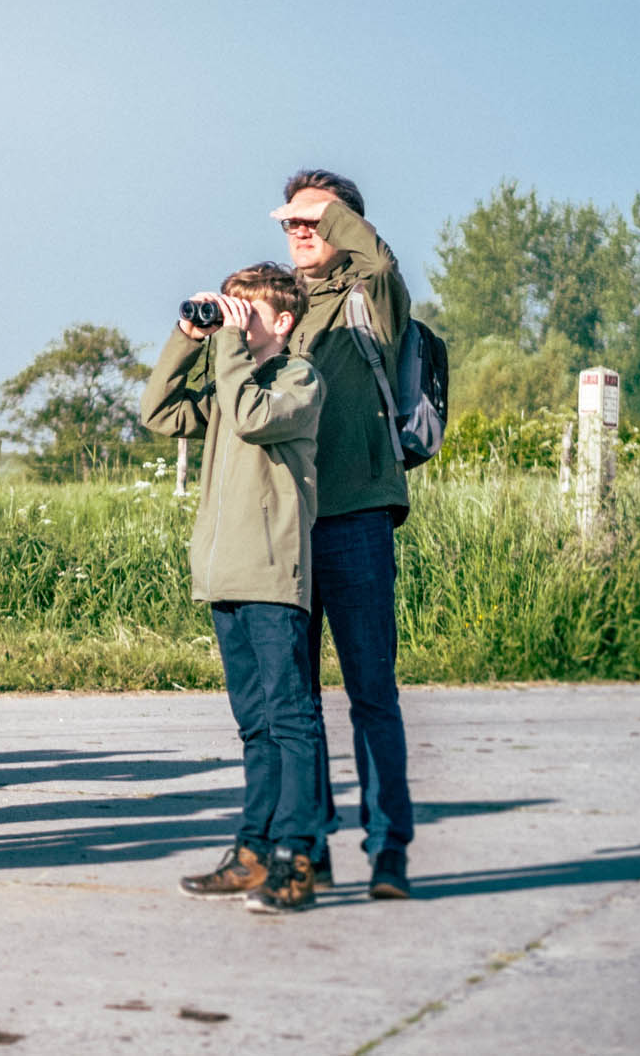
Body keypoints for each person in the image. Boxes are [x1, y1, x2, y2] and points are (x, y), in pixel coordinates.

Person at [142, 263, 329, 914]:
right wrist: (188, 334)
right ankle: (253, 849)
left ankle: (296, 856)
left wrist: (228, 344)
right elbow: (158, 410)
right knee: (255, 725)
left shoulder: (299, 380)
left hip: (274, 576)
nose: (234, 319)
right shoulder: (230, 380)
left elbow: (251, 417)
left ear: (280, 321)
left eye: (244, 310)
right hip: (224, 572)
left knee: (291, 720)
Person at [275, 170, 417, 900]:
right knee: (297, 700)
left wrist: (331, 216)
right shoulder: (280, 306)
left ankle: (389, 846)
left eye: (316, 220)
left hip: (358, 514)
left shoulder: (375, 296)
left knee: (370, 691)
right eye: (291, 222)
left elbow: (383, 263)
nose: (301, 232)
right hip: (286, 528)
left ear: (345, 225)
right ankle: (312, 842)